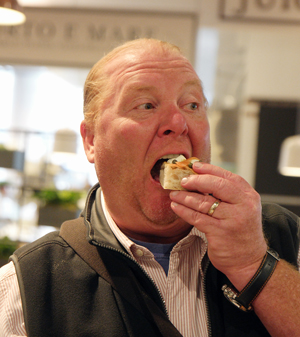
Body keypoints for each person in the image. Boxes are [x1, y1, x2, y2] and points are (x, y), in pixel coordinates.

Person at [0, 38, 299, 337]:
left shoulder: (286, 237)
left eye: (192, 104)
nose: (178, 122)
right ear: (91, 140)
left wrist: (253, 262)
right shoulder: (24, 287)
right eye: (146, 105)